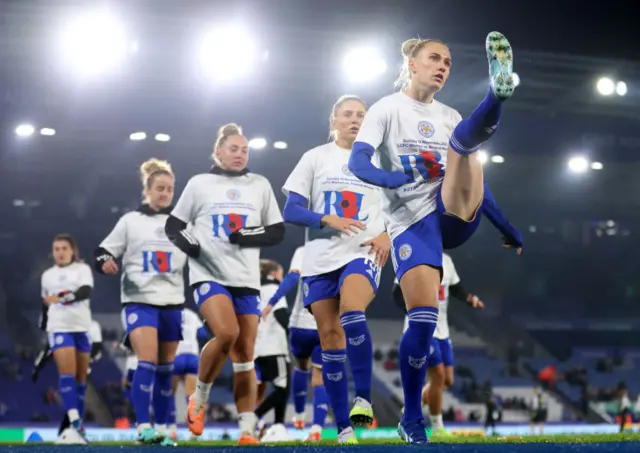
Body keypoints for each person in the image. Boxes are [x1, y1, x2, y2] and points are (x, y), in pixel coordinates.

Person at [348, 32, 517, 443]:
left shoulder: (448, 114)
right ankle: (410, 417)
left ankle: (498, 94)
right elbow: (358, 161)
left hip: (454, 212)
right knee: (422, 321)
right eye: (435, 59)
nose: (443, 67)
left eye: (449, 63)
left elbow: (477, 184)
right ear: (412, 64)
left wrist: (505, 226)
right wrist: (392, 178)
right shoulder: (387, 110)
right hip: (411, 223)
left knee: (466, 150)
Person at [165, 123, 285, 445]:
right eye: (233, 148)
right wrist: (192, 248)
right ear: (218, 151)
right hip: (208, 275)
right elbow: (174, 225)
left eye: (245, 150)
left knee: (245, 355)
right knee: (228, 333)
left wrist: (247, 234)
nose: (240, 154)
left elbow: (277, 231)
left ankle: (246, 430)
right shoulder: (199, 183)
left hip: (246, 280)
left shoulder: (259, 185)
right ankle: (199, 399)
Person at [282, 95, 389, 444]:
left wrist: (387, 234)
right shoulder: (314, 158)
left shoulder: (378, 161)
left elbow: (401, 208)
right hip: (319, 259)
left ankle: (364, 399)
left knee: (352, 311)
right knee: (329, 339)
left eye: (361, 115)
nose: (355, 120)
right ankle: (344, 428)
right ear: (334, 120)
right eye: (348, 114)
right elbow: (291, 210)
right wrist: (324, 218)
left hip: (362, 252)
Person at [94, 159, 187, 445]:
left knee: (165, 370)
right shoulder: (130, 222)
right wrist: (106, 262)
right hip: (139, 301)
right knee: (146, 362)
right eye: (160, 188)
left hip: (172, 302)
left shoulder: (183, 225)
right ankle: (143, 426)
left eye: (170, 189)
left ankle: (161, 428)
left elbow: (203, 255)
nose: (165, 193)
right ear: (147, 189)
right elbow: (102, 251)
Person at [394, 253, 484, 437]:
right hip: (423, 329)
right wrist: (414, 312)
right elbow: (396, 294)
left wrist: (471, 299)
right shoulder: (414, 255)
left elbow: (456, 288)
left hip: (443, 331)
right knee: (438, 375)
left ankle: (414, 404)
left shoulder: (447, 260)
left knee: (447, 380)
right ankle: (437, 428)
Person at [41, 234, 93, 444]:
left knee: (81, 381)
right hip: (59, 328)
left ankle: (75, 430)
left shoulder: (82, 270)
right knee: (67, 374)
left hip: (81, 327)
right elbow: (45, 305)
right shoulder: (47, 276)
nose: (60, 252)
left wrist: (63, 298)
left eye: (64, 248)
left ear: (72, 250)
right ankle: (74, 422)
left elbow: (85, 291)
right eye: (56, 249)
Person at [285, 246, 329, 443]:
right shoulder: (343, 251)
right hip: (325, 325)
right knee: (320, 376)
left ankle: (300, 415)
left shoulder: (303, 250)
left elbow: (293, 278)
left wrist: (272, 301)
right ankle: (317, 428)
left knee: (301, 367)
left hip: (301, 323)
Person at [254, 259, 293, 442]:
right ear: (275, 274)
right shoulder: (274, 290)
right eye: (281, 274)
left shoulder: (256, 292)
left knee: (278, 387)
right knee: (283, 388)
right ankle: (254, 417)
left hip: (258, 348)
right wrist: (294, 333)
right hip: (274, 346)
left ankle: (278, 427)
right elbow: (281, 315)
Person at [167, 307, 209, 440]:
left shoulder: (168, 313)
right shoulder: (191, 314)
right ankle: (193, 431)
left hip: (176, 356)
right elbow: (203, 334)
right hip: (192, 356)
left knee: (169, 394)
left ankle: (172, 429)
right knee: (191, 395)